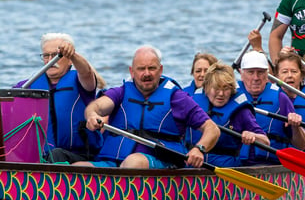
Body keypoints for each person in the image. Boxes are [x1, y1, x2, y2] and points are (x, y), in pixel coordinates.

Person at [76, 45, 220, 169]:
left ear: (160, 70)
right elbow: (96, 106)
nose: (147, 73)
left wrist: (199, 149)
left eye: (152, 68)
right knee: (79, 167)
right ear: (132, 72)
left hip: (162, 163)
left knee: (134, 162)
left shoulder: (177, 98)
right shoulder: (121, 92)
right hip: (115, 163)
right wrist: (92, 115)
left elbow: (212, 129)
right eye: (141, 69)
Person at [14, 33, 102, 163]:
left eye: (56, 56)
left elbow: (86, 72)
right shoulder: (29, 85)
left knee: (56, 154)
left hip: (81, 155)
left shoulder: (82, 81)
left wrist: (72, 54)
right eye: (46, 55)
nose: (50, 60)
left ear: (70, 60)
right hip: (43, 157)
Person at [189, 63, 269, 167]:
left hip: (225, 167)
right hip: (193, 163)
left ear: (232, 90)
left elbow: (265, 142)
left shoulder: (241, 112)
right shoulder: (191, 104)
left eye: (226, 88)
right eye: (216, 88)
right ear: (206, 87)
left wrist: (253, 136)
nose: (221, 94)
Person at [236, 50, 305, 165]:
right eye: (250, 72)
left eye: (260, 72)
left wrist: (296, 127)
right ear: (241, 74)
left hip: (270, 164)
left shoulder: (280, 98)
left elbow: (302, 145)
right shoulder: (230, 95)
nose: (256, 78)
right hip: (236, 164)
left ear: (267, 74)